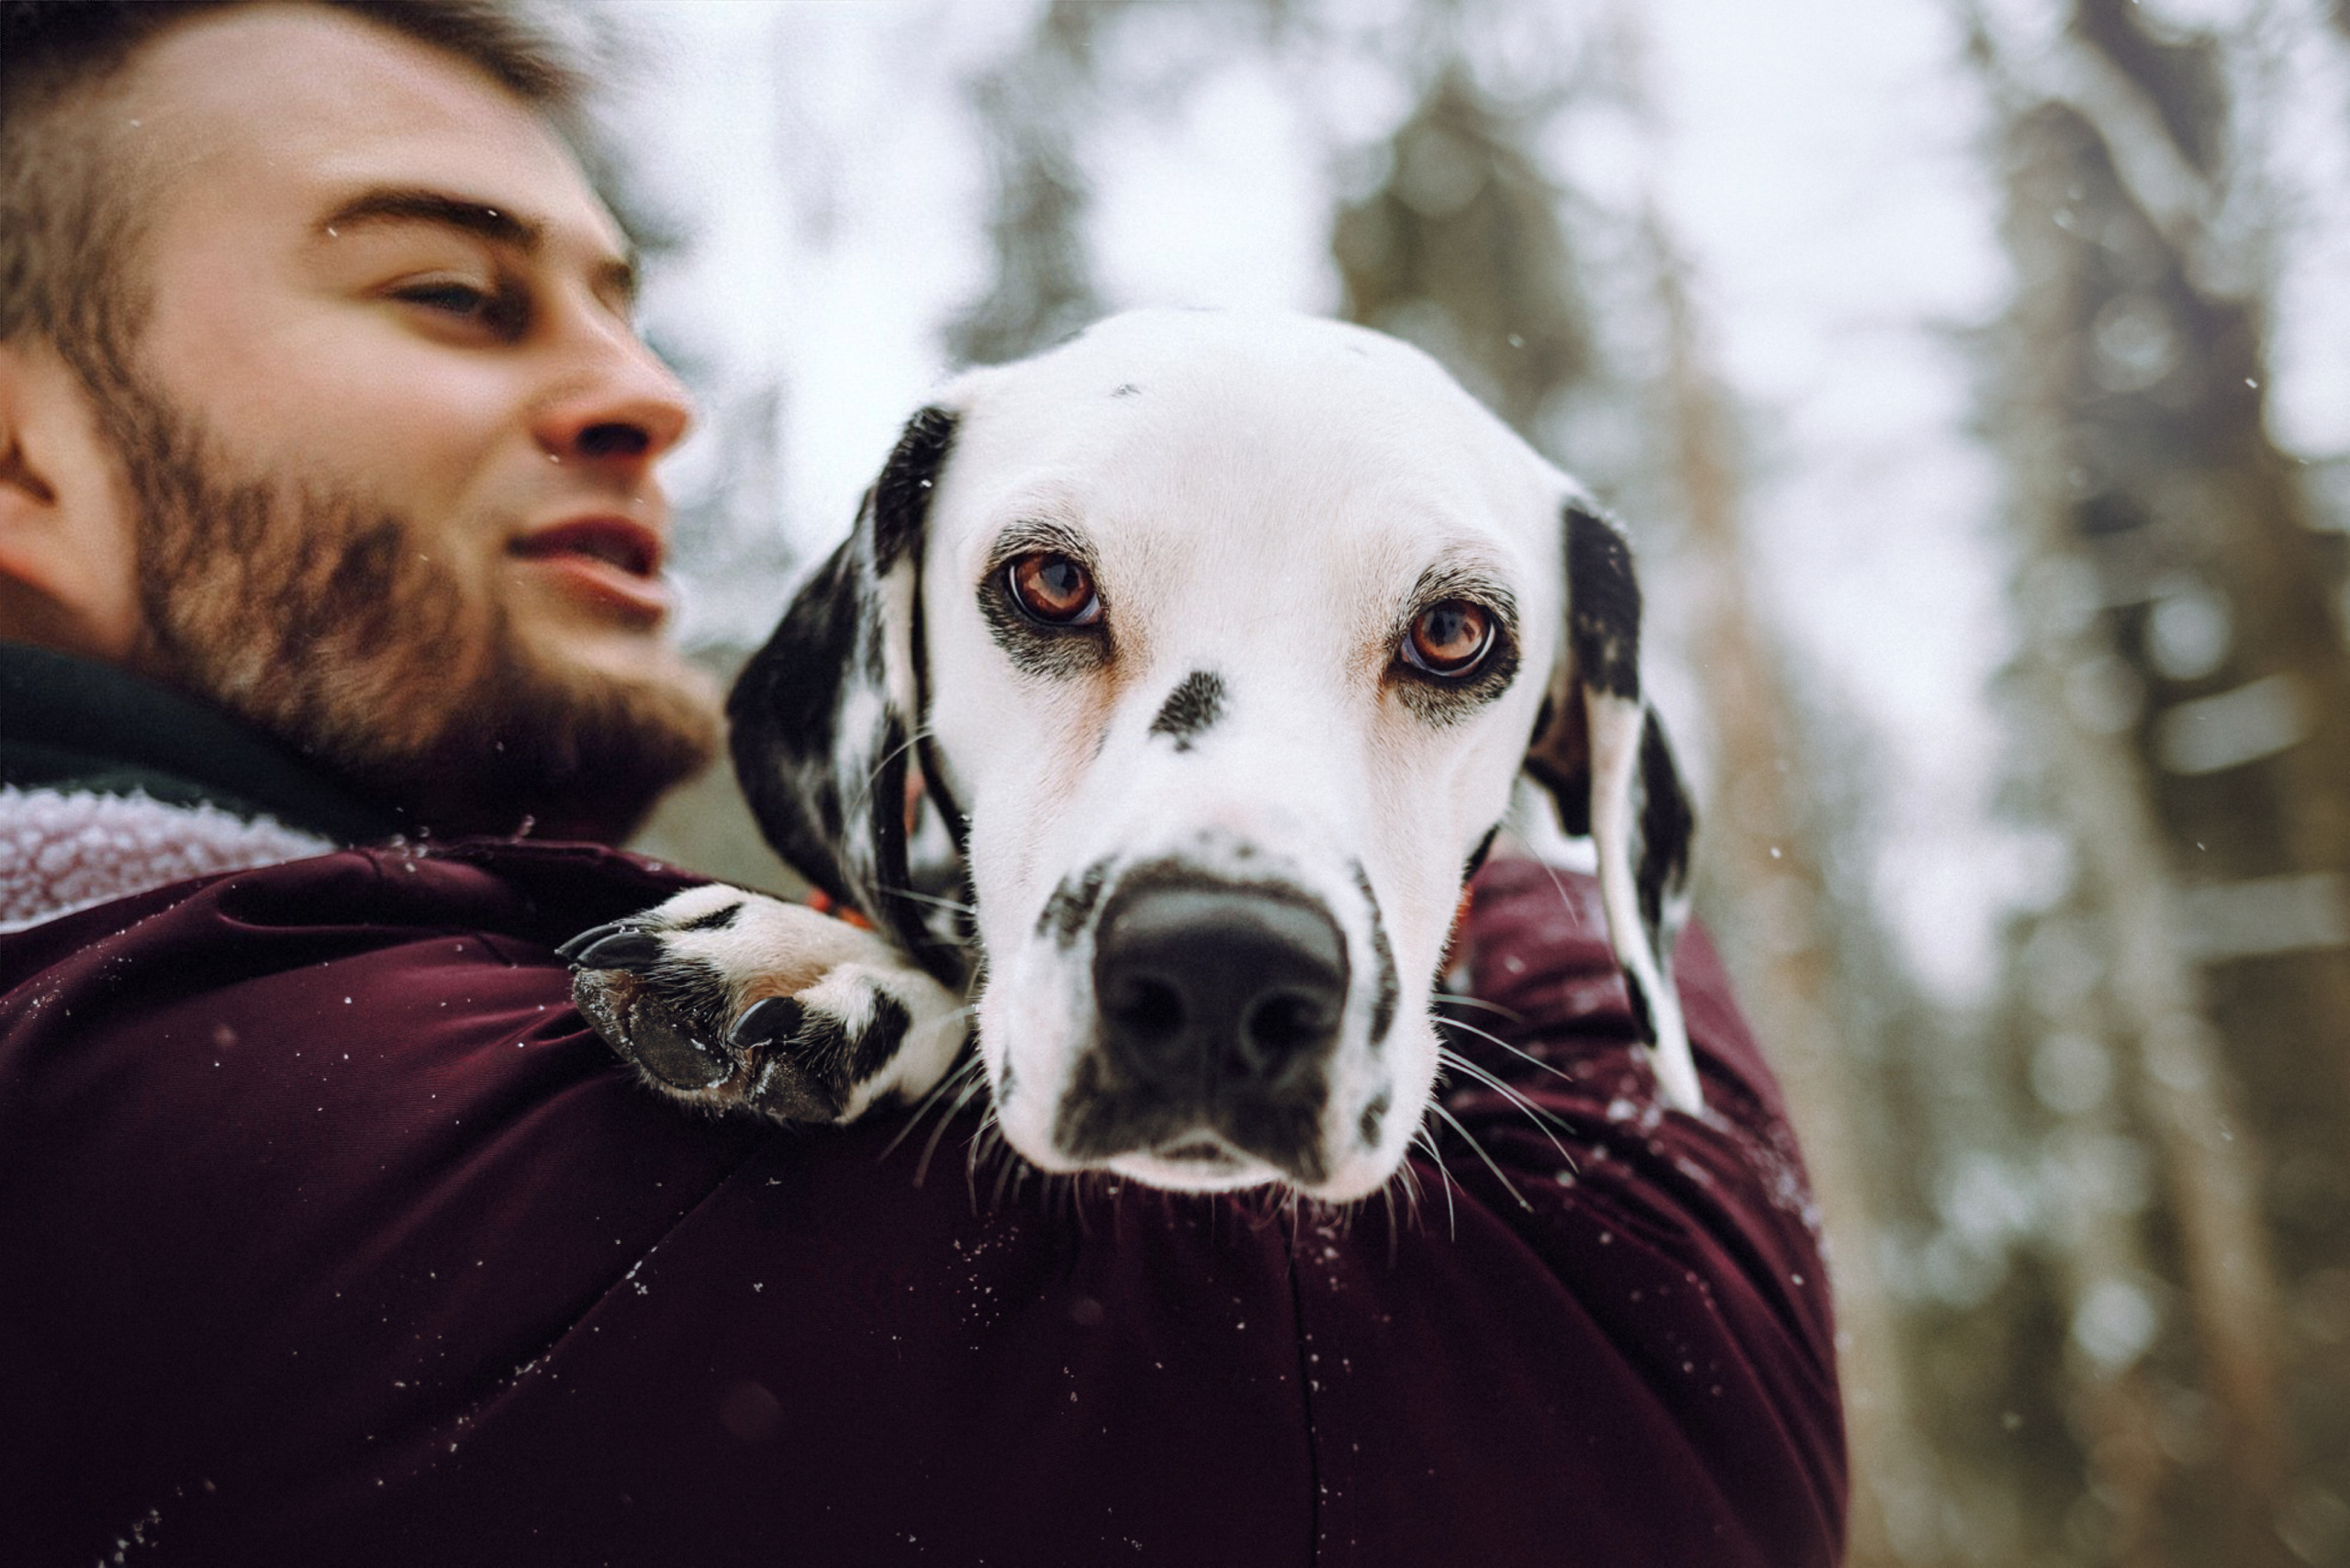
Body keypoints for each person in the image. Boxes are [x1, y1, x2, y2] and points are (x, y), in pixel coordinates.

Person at [0, 4, 1848, 1564]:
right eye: (446, 289)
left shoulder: (497, 970)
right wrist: (1476, 798)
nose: (644, 394)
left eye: (1440, 648)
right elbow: (1651, 1414)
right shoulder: (149, 1104)